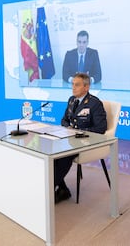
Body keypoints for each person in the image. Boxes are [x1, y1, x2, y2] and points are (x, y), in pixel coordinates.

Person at [55, 72, 107, 203]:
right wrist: (69, 128)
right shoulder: (72, 100)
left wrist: (78, 131)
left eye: (77, 85)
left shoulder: (95, 104)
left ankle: (49, 189)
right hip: (70, 139)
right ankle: (62, 189)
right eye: (72, 84)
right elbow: (64, 120)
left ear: (86, 87)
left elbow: (100, 128)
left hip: (85, 141)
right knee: (51, 154)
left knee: (63, 156)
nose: (73, 88)